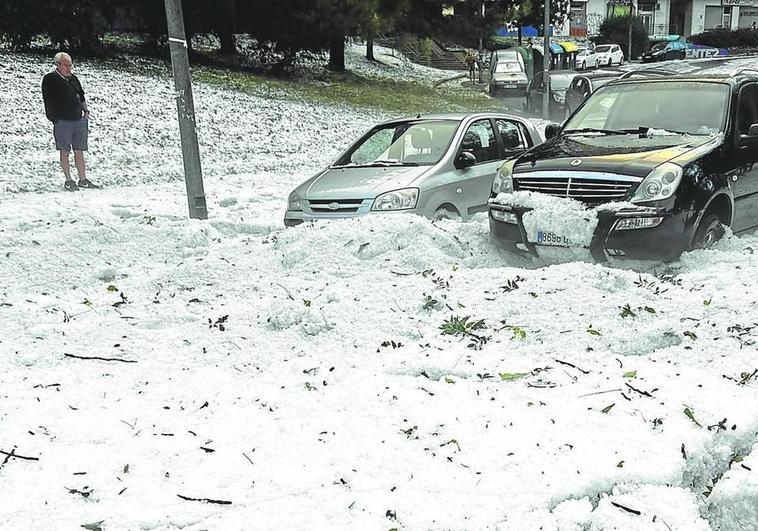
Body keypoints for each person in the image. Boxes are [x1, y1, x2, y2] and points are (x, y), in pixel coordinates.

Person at [42, 52, 97, 191]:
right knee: (64, 151)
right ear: (58, 65)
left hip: (79, 120)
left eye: (70, 65)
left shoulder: (74, 79)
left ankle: (83, 179)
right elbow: (47, 99)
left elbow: (81, 95)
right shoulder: (50, 79)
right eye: (66, 65)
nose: (68, 68)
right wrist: (54, 118)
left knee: (80, 150)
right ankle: (68, 179)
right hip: (62, 121)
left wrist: (86, 111)